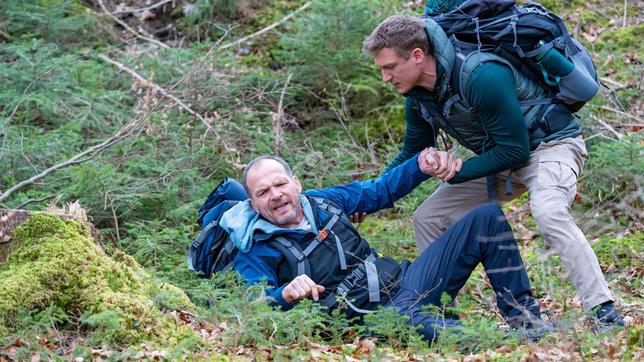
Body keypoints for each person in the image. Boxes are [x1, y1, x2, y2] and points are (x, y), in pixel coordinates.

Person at [362, 11, 623, 330]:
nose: (385, 78)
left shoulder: (480, 75)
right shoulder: (419, 97)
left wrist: (458, 171)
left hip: (550, 145)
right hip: (500, 156)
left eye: (389, 67)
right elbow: (410, 153)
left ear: (417, 56)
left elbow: (517, 149)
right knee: (428, 217)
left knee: (549, 211)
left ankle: (604, 312)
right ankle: (439, 316)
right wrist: (369, 199)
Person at [220, 153, 547, 343]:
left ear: (296, 184)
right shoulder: (255, 248)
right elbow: (254, 306)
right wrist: (286, 294)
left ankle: (527, 321)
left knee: (485, 216)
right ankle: (506, 341)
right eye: (263, 192)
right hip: (372, 319)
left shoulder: (323, 202)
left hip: (408, 281)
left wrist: (421, 163)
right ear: (253, 203)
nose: (275, 195)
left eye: (280, 184)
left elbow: (379, 190)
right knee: (420, 326)